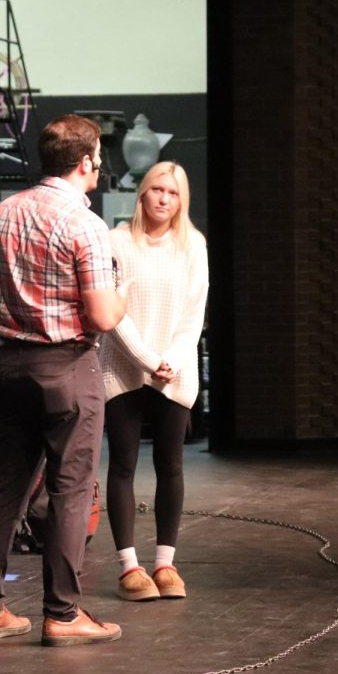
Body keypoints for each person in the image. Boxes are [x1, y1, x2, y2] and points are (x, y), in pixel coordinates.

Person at [0, 114, 128, 647]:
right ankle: (62, 614)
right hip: (64, 365)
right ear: (87, 162)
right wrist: (123, 291)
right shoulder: (84, 223)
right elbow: (104, 316)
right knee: (70, 489)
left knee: (6, 486)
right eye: (99, 156)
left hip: (10, 363)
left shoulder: (1, 213)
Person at [100, 161, 209, 602]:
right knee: (123, 465)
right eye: (157, 190)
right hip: (123, 367)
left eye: (174, 193)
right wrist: (147, 360)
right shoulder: (116, 242)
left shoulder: (193, 246)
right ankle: (129, 567)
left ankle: (165, 563)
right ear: (142, 193)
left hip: (173, 368)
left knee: (171, 465)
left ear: (182, 201)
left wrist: (173, 360)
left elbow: (193, 313)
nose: (164, 199)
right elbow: (111, 313)